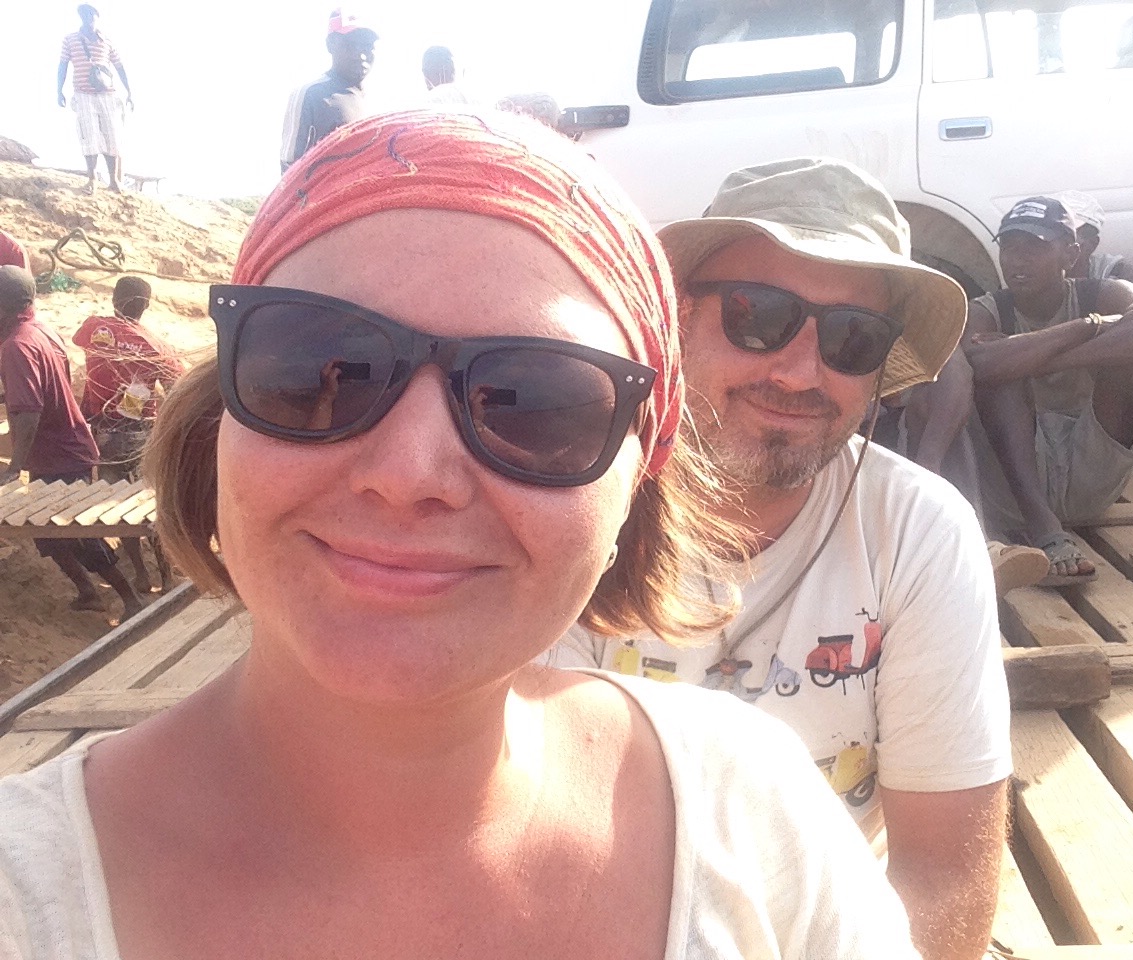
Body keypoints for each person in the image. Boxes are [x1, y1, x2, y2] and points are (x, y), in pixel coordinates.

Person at [0, 113, 919, 959]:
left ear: (636, 490)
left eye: (536, 403)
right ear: (216, 427)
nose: (408, 474)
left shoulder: (751, 810)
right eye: (315, 369)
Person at [549, 157, 1012, 960]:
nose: (800, 373)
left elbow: (942, 873)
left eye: (852, 339)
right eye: (756, 316)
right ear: (679, 319)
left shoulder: (918, 533)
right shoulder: (577, 500)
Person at [964, 196, 1133, 583]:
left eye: (1035, 247)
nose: (1017, 260)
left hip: (1091, 470)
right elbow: (981, 365)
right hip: (1015, 490)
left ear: (1071, 254)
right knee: (999, 375)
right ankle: (1044, 529)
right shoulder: (986, 309)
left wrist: (1037, 354)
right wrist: (1087, 328)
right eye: (1009, 247)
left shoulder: (1106, 293)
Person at [0, 265, 142, 618]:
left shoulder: (16, 346)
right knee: (45, 532)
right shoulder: (40, 330)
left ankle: (131, 601)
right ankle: (88, 592)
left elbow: (29, 412)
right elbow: (46, 388)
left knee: (77, 532)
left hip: (61, 454)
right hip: (62, 448)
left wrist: (14, 468)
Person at [72, 275, 184, 592]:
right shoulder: (155, 345)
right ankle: (167, 576)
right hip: (141, 435)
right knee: (150, 503)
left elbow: (81, 344)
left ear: (113, 299)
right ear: (145, 305)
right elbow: (176, 388)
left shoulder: (94, 328)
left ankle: (140, 574)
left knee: (118, 507)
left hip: (105, 434)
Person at [1056, 190, 1133, 318]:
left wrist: (1117, 293)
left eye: (1067, 237)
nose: (1055, 245)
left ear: (1091, 245)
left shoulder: (1111, 270)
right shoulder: (1044, 273)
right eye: (1050, 235)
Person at [279, 9, 378, 173]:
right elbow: (289, 167)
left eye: (367, 46)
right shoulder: (311, 95)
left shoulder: (377, 103)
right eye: (351, 45)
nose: (360, 55)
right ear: (330, 44)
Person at [56, 4, 133, 195]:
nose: (88, 16)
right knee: (89, 135)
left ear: (97, 16)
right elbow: (63, 65)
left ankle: (114, 180)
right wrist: (59, 90)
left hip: (107, 94)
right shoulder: (70, 39)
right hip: (83, 93)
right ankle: (92, 179)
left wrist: (129, 91)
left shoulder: (106, 41)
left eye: (91, 13)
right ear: (79, 16)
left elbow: (120, 66)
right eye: (84, 13)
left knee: (112, 136)